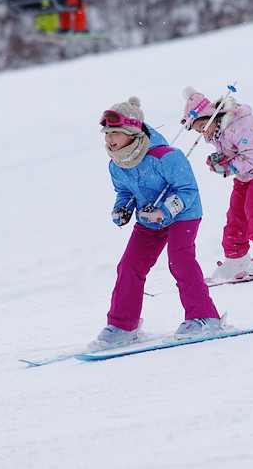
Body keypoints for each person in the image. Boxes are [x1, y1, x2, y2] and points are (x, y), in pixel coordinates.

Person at [94, 96, 223, 346]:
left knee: (180, 260)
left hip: (183, 215)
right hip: (148, 219)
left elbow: (188, 191)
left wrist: (164, 211)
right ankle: (122, 325)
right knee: (129, 266)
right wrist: (122, 209)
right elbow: (125, 192)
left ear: (132, 131)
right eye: (106, 133)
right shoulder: (116, 164)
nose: (109, 139)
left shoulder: (166, 157)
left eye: (116, 133)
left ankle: (204, 317)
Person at [180, 87, 253, 281]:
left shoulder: (241, 125)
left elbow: (251, 158)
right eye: (197, 131)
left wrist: (227, 168)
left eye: (202, 127)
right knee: (236, 215)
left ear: (212, 118)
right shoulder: (217, 132)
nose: (202, 133)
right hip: (246, 175)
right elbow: (235, 153)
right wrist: (220, 160)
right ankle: (236, 259)